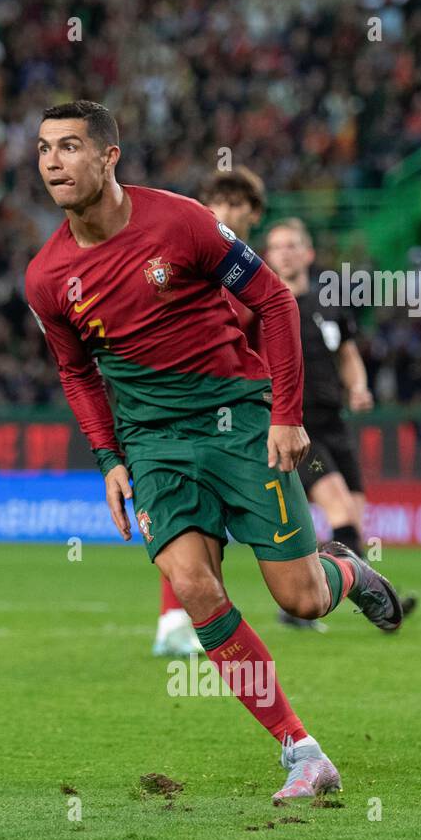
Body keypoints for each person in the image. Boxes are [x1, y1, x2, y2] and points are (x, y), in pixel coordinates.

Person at [24, 100, 403, 802]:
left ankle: (348, 574)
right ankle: (302, 750)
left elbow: (275, 303)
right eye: (44, 148)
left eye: (70, 146)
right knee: (195, 587)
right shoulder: (47, 276)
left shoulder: (182, 222)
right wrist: (109, 460)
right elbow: (76, 373)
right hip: (152, 444)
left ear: (110, 157)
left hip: (238, 421)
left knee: (302, 597)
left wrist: (285, 416)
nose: (52, 161)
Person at [262, 218, 417, 630]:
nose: (286, 252)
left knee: (353, 519)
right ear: (268, 256)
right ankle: (380, 604)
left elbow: (347, 354)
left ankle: (301, 602)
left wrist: (360, 387)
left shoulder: (329, 305)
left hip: (334, 421)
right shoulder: (262, 307)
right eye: (278, 247)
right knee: (340, 509)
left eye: (293, 245)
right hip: (296, 425)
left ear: (308, 253)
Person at [151, 166, 266, 658]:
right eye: (217, 199)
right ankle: (173, 620)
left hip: (235, 418)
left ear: (254, 214)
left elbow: (265, 352)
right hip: (175, 413)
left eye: (237, 202)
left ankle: (194, 617)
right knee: (182, 515)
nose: (226, 210)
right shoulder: (185, 262)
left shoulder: (258, 281)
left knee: (214, 523)